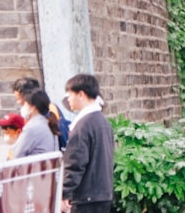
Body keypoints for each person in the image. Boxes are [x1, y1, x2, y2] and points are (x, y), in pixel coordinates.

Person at [61, 73, 114, 213]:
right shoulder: (103, 122)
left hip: (86, 198)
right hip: (103, 194)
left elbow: (75, 163)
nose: (68, 99)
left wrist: (64, 193)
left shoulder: (83, 125)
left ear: (81, 94)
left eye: (70, 94)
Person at [15, 89, 60, 158]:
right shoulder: (47, 122)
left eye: (25, 104)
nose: (23, 107)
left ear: (33, 107)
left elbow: (16, 155)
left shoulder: (31, 128)